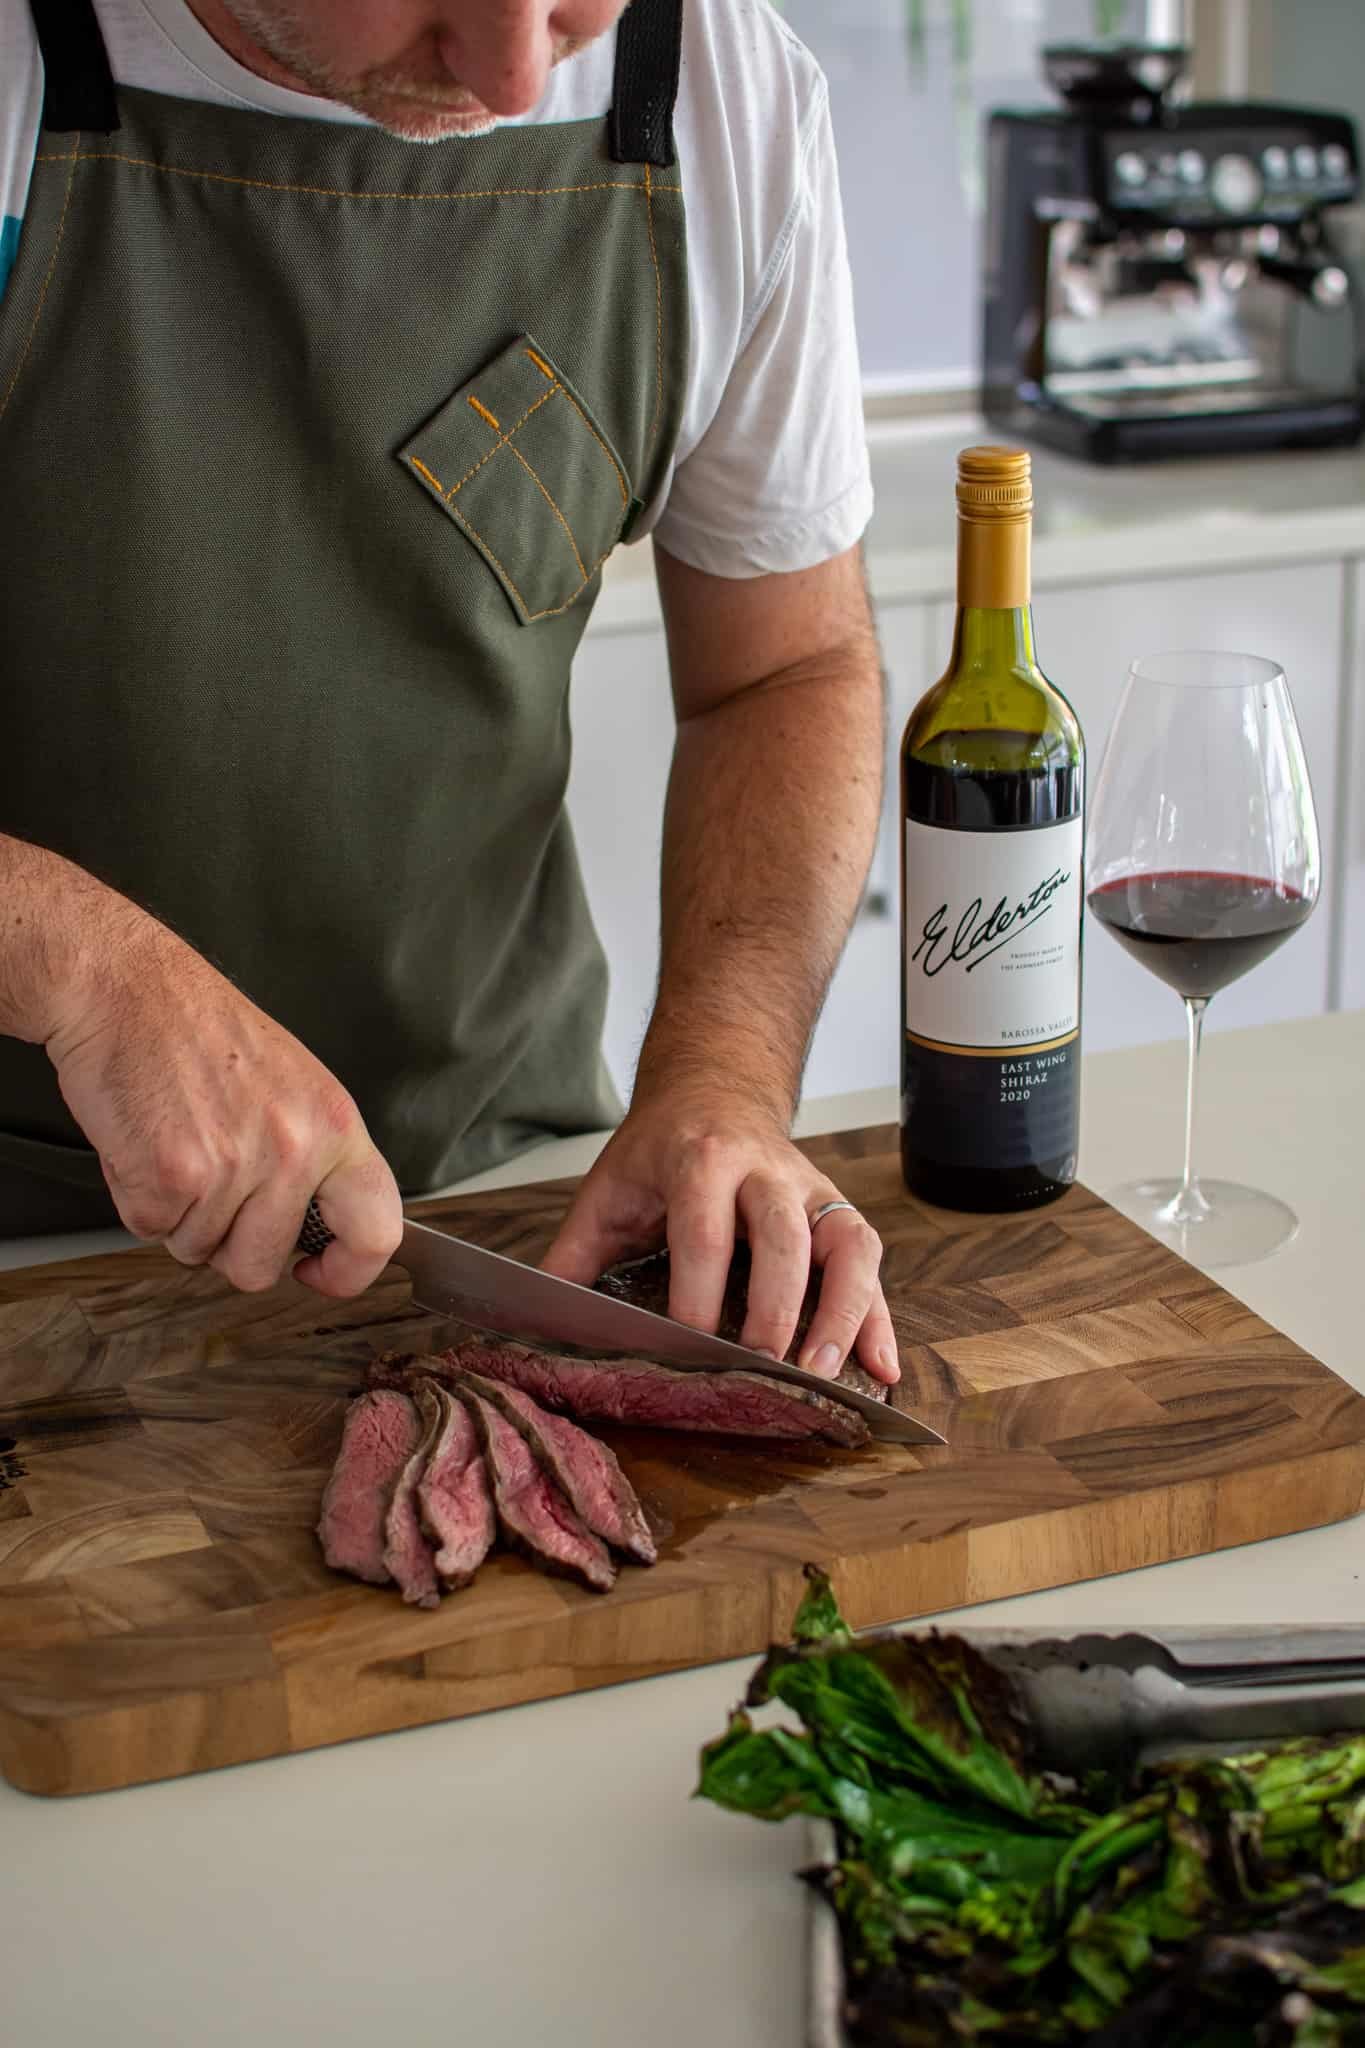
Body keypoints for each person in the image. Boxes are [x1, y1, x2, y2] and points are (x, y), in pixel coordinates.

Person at [0, 0, 899, 1387]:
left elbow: (784, 670)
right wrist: (81, 966)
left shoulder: (721, 93)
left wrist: (721, 1074)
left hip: (506, 1186)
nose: (518, 73)